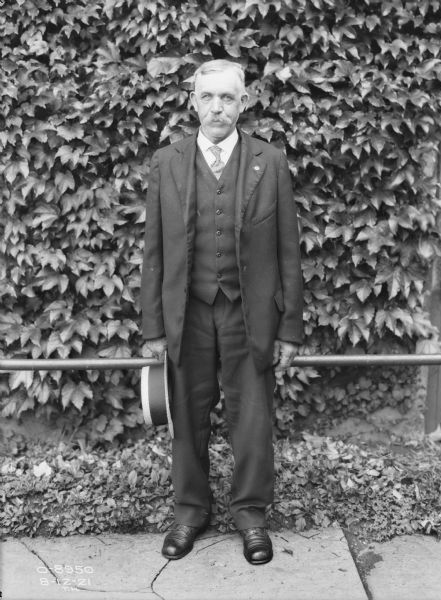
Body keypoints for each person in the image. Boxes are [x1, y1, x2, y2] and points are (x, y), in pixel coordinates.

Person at [140, 59, 303, 565]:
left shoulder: (269, 161)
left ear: (243, 102)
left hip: (247, 313)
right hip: (185, 314)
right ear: (193, 101)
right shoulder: (167, 161)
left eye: (227, 98)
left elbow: (287, 249)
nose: (217, 107)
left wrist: (290, 329)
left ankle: (252, 517)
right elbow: (154, 251)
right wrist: (152, 327)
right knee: (186, 419)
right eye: (207, 97)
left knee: (251, 419)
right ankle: (190, 513)